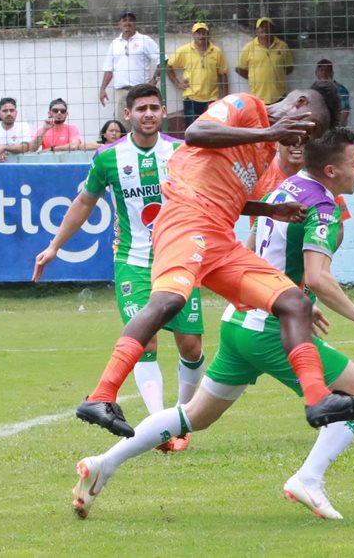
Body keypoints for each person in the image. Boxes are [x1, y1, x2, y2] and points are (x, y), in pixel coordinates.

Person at [72, 129, 354, 521]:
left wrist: (291, 297)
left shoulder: (284, 188)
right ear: (331, 169)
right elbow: (319, 276)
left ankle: (104, 463)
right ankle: (309, 477)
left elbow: (254, 242)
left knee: (194, 416)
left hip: (241, 321)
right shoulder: (322, 205)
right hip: (272, 331)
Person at [74, 81, 354, 440]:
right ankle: (100, 396)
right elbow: (195, 132)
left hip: (219, 236)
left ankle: (318, 399)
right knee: (169, 301)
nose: (301, 142)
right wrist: (269, 129)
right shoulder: (246, 106)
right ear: (297, 104)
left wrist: (270, 208)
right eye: (306, 131)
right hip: (186, 216)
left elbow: (229, 194)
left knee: (294, 300)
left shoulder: (265, 147)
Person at [33, 85, 207, 448]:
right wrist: (53, 248)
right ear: (127, 114)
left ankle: (180, 417)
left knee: (190, 346)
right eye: (141, 108)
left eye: (154, 108)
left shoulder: (180, 152)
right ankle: (160, 425)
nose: (148, 114)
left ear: (163, 112)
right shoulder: (108, 157)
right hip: (133, 261)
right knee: (143, 340)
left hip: (176, 258)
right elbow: (84, 203)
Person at [99, 10, 160, 116]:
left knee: (142, 123)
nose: (127, 23)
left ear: (135, 24)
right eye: (124, 20)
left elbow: (163, 61)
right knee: (122, 126)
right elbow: (108, 70)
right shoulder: (114, 44)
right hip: (121, 93)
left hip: (141, 92)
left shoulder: (145, 40)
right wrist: (102, 89)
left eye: (131, 20)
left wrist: (153, 81)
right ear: (120, 24)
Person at [167, 22, 228, 125]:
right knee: (192, 130)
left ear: (208, 34)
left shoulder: (216, 51)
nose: (201, 36)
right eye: (198, 33)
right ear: (193, 35)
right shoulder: (184, 50)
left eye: (203, 32)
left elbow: (223, 74)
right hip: (191, 98)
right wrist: (177, 83)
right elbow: (168, 66)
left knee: (212, 130)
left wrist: (226, 98)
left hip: (211, 99)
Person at [236, 18, 292, 103]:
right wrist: (253, 78)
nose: (265, 29)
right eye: (261, 27)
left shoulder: (282, 46)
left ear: (272, 29)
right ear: (257, 31)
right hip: (257, 96)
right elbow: (239, 69)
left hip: (279, 95)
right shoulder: (249, 47)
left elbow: (289, 67)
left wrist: (276, 75)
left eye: (267, 26)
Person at [315, 59, 350, 127]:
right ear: (316, 73)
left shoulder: (340, 90)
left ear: (332, 73)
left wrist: (335, 129)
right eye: (321, 70)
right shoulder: (313, 90)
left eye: (327, 70)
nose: (324, 73)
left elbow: (344, 112)